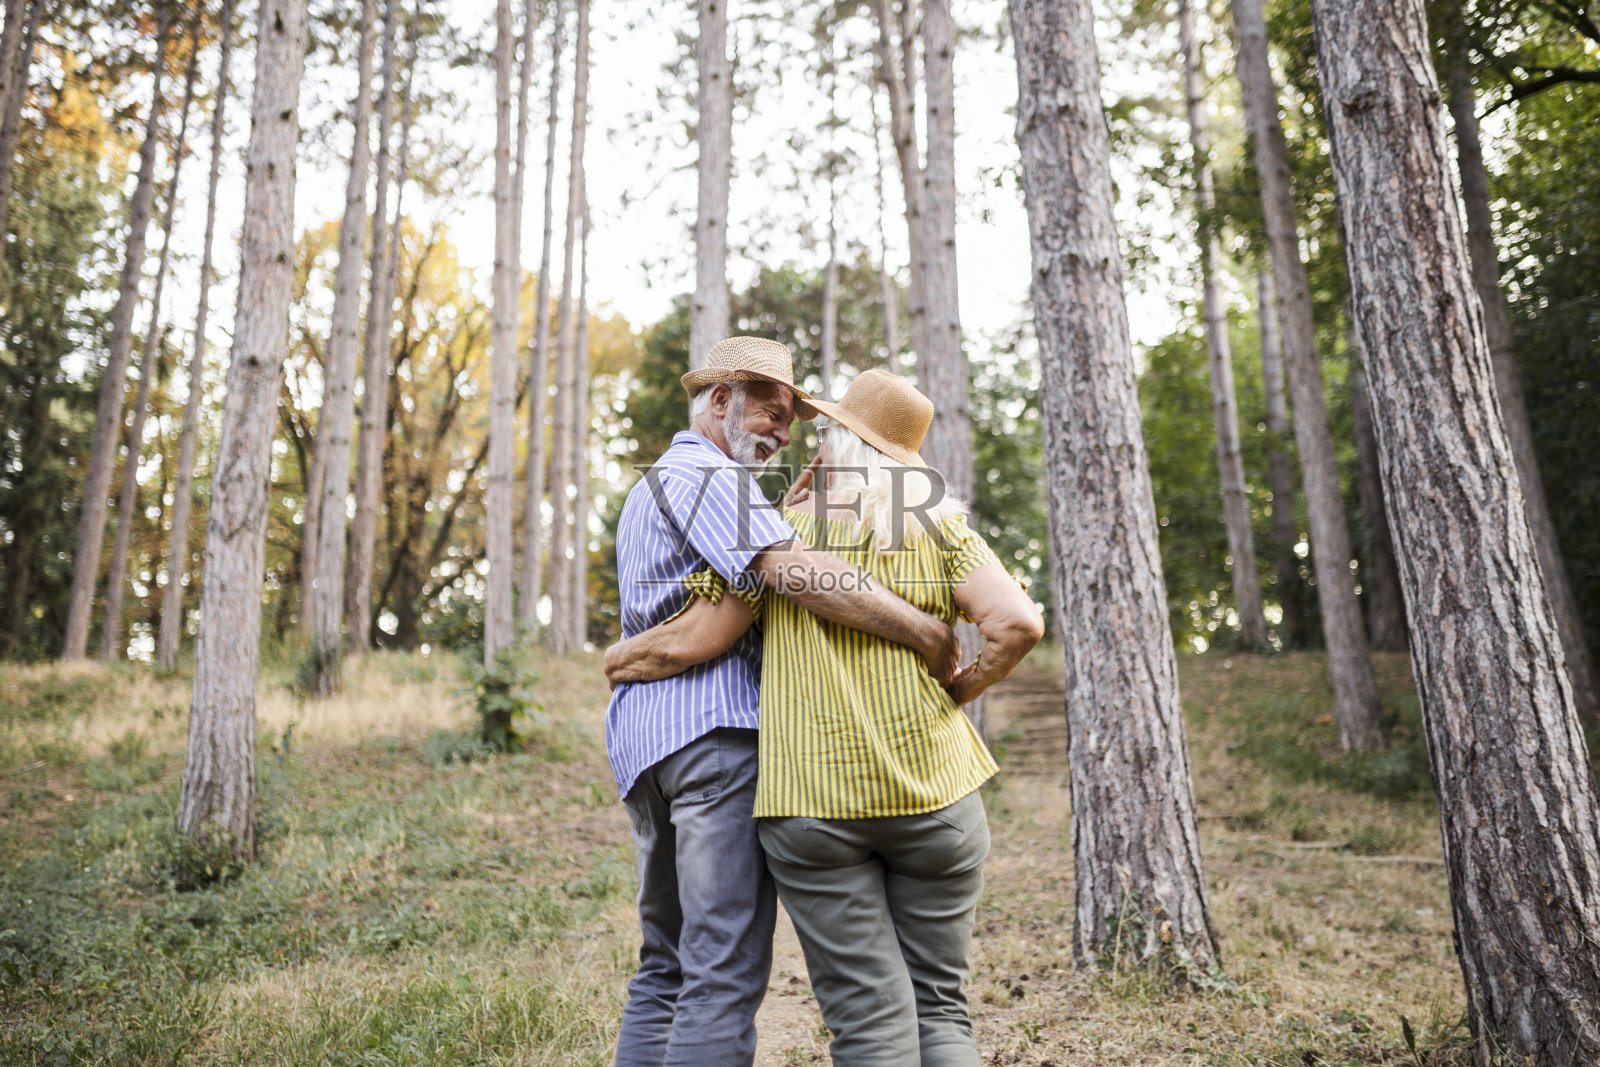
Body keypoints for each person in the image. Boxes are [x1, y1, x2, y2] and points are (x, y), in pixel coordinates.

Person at [607, 369, 1044, 1067]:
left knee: (869, 1019)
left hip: (815, 801)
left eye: (819, 431)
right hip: (938, 792)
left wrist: (625, 654)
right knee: (941, 1009)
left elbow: (705, 630)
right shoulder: (938, 522)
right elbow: (1018, 622)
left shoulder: (786, 529)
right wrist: (959, 691)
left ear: (838, 442)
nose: (799, 442)